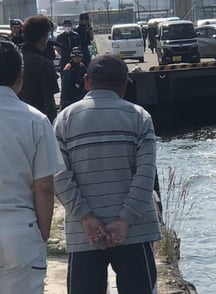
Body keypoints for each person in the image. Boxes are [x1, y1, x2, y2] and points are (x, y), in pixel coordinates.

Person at [53, 54, 161, 294]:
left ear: (87, 82)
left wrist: (86, 216)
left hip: (85, 234)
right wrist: (125, 219)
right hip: (134, 232)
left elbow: (59, 175)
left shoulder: (64, 120)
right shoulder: (140, 117)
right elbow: (146, 176)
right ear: (124, 85)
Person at [0, 38, 64, 294]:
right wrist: (42, 235)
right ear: (20, 76)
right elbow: (45, 188)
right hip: (20, 228)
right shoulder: (36, 121)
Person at [19, 15, 59, 122]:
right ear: (43, 38)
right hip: (37, 122)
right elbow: (49, 103)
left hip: (13, 120)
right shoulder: (44, 63)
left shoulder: (14, 58)